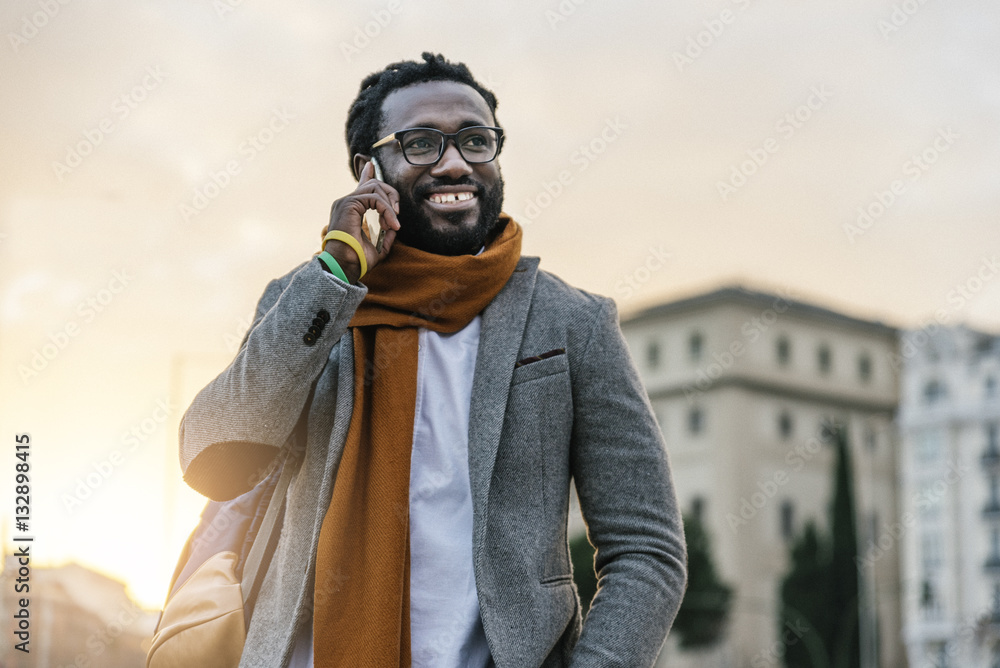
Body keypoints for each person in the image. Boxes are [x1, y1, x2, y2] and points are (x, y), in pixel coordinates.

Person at [179, 52, 686, 668]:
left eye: (477, 141)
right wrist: (335, 272)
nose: (455, 163)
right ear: (369, 170)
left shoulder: (572, 323)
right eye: (421, 144)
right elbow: (214, 456)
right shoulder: (309, 301)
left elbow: (646, 549)